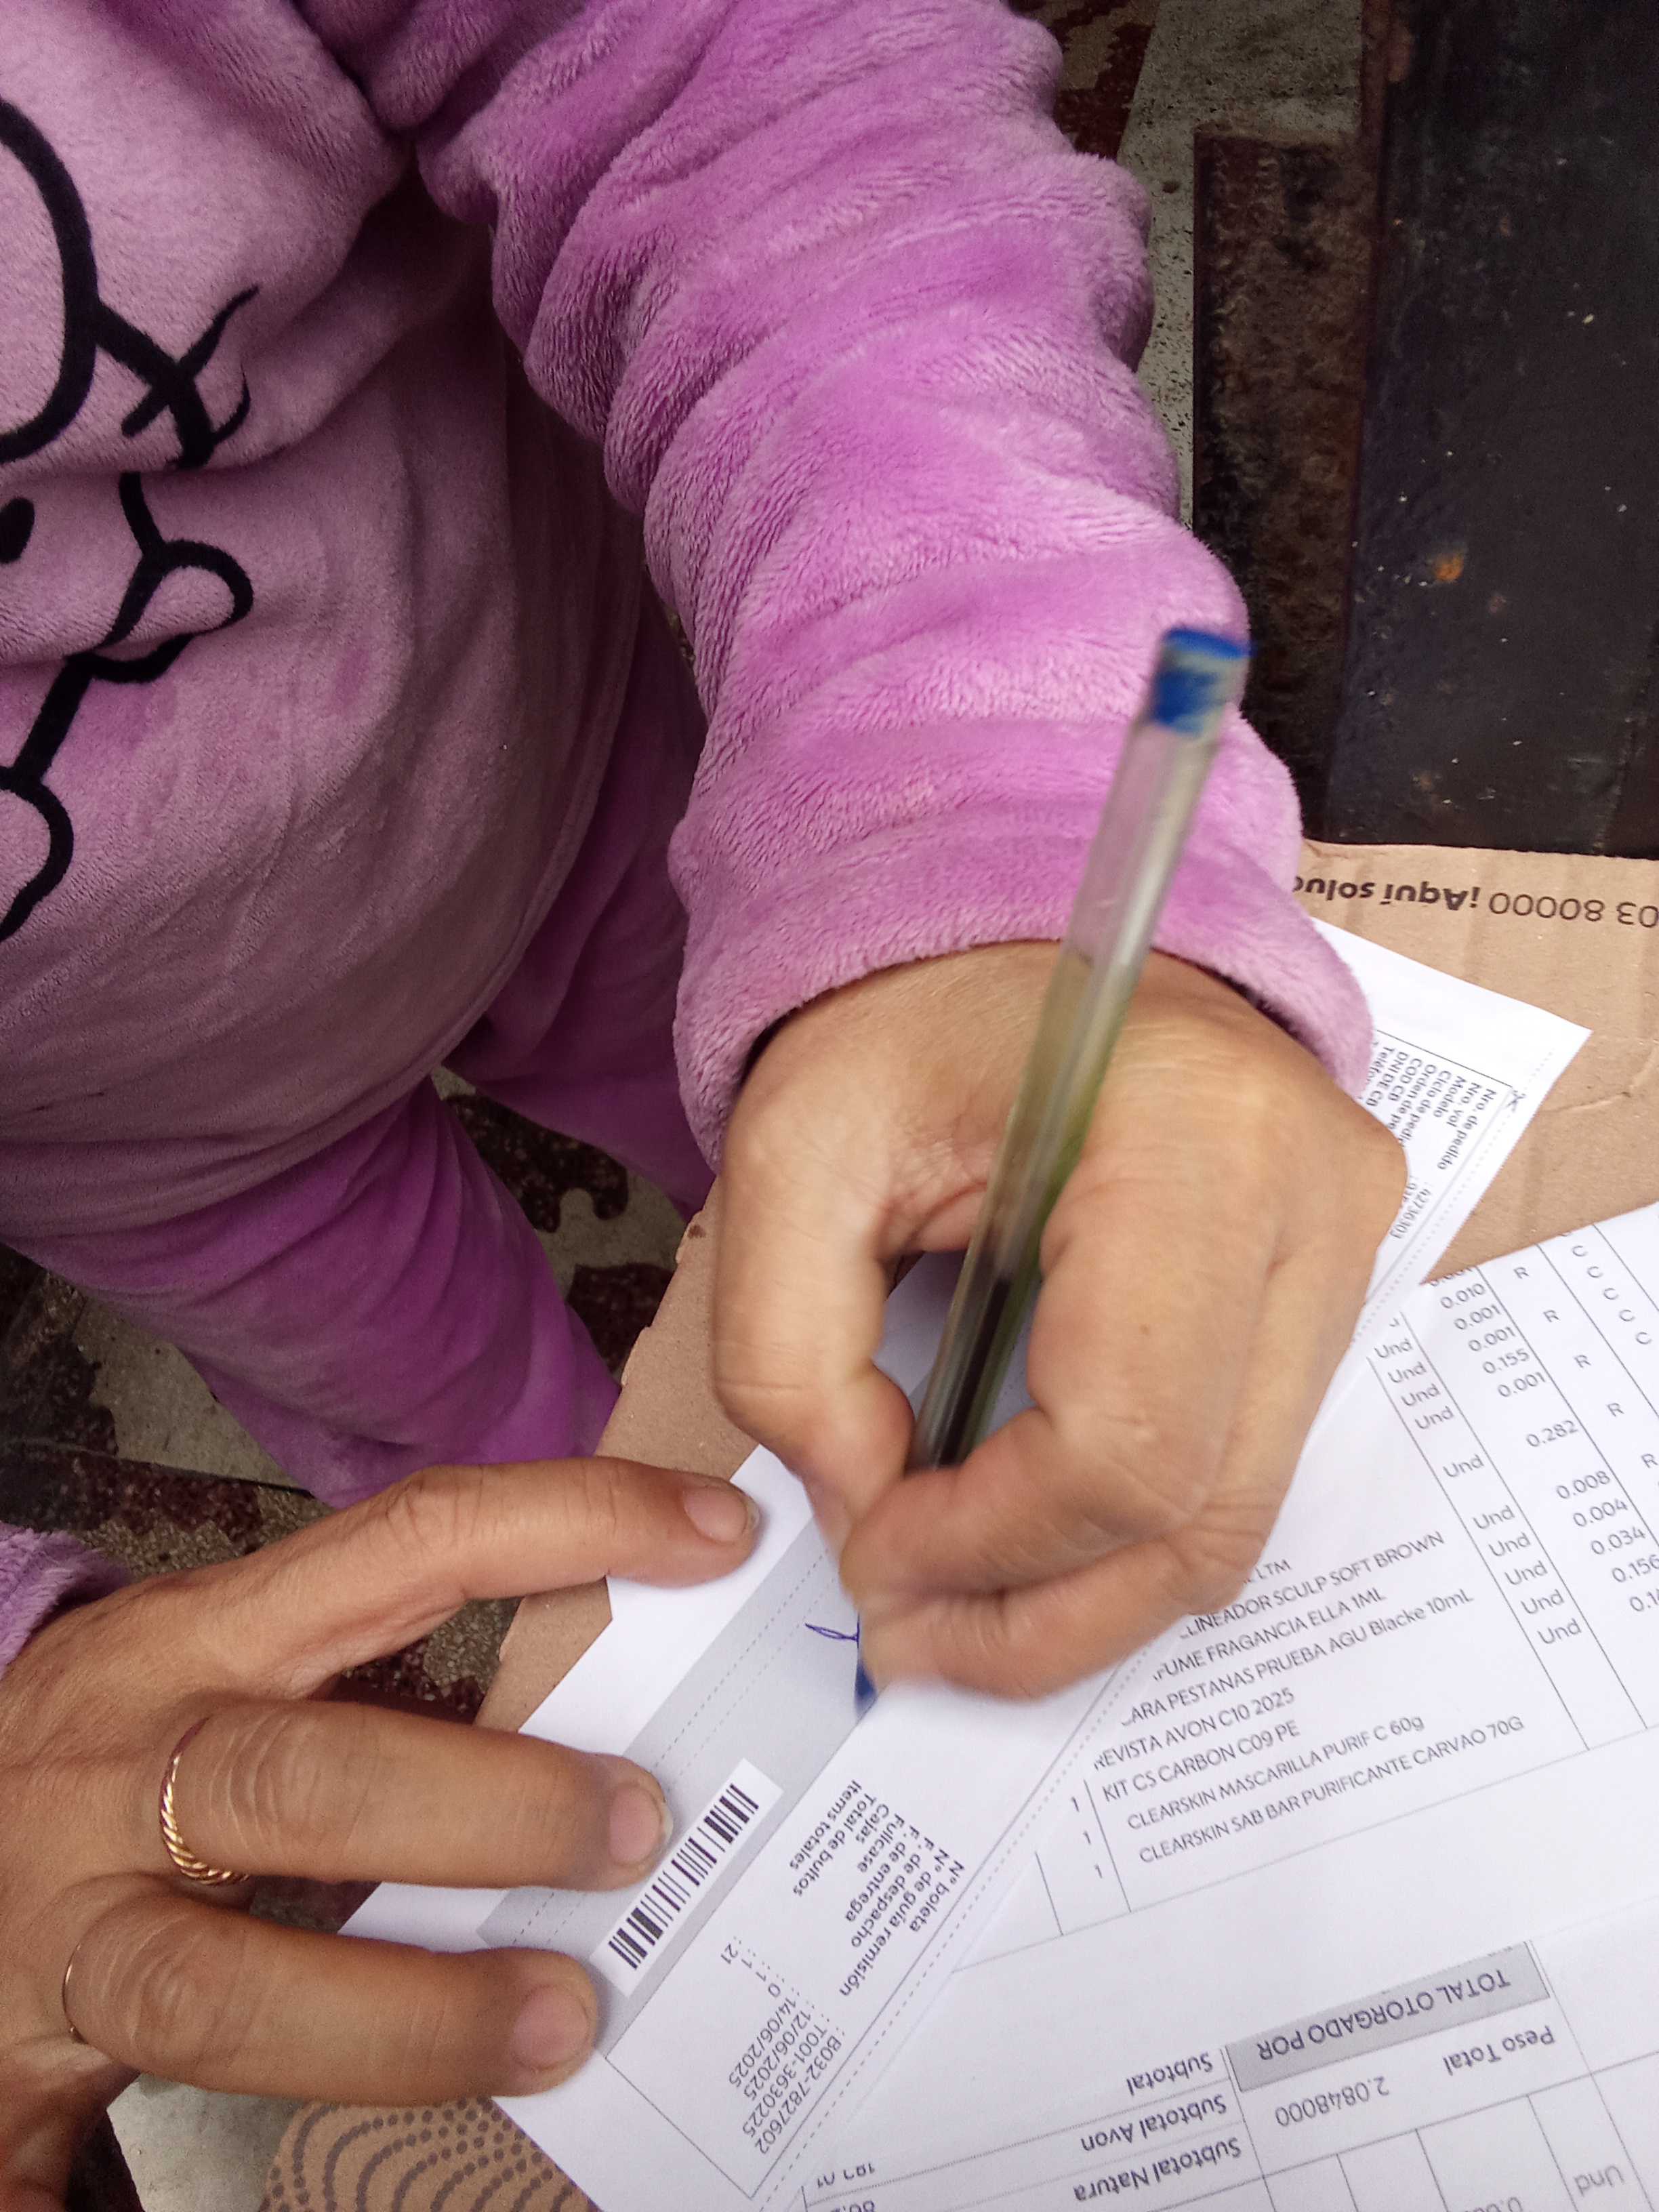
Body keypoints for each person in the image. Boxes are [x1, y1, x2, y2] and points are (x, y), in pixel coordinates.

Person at [0, 0, 1406, 2192]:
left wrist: (969, 809)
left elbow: (728, 62)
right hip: (160, 1157)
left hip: (599, 775)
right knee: (537, 1489)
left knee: (876, 1263)